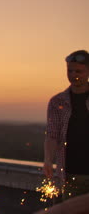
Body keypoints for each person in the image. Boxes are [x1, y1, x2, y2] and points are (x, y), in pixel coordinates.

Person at [43, 50, 89, 200]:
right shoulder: (57, 102)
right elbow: (52, 135)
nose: (73, 74)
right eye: (70, 70)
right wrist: (48, 160)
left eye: (79, 71)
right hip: (70, 175)